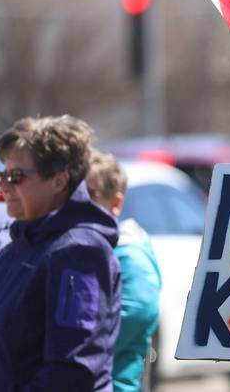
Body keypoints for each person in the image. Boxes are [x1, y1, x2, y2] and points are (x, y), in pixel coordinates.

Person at [0, 115, 121, 392]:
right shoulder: (14, 251)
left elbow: (73, 372)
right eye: (1, 176)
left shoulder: (80, 252)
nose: (4, 186)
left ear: (59, 181)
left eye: (16, 176)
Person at [87, 150, 162, 392]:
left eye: (90, 194)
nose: (79, 202)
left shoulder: (131, 256)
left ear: (116, 203)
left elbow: (136, 313)